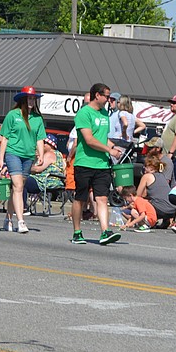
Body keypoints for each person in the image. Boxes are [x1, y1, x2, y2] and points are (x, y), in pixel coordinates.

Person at [69, 83, 123, 245]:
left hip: (102, 165)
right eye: (106, 96)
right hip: (85, 162)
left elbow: (101, 137)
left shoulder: (105, 114)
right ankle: (77, 232)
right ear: (97, 95)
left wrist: (113, 147)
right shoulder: (84, 114)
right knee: (80, 199)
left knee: (102, 198)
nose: (108, 100)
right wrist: (109, 149)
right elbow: (89, 139)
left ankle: (105, 231)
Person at [0, 86, 47, 234]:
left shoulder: (37, 118)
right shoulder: (13, 115)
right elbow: (4, 137)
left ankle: (8, 218)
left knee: (17, 188)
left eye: (33, 98)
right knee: (18, 186)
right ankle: (21, 221)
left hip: (28, 155)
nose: (31, 101)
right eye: (29, 98)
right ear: (23, 99)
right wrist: (1, 158)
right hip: (13, 153)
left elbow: (40, 139)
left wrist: (41, 155)